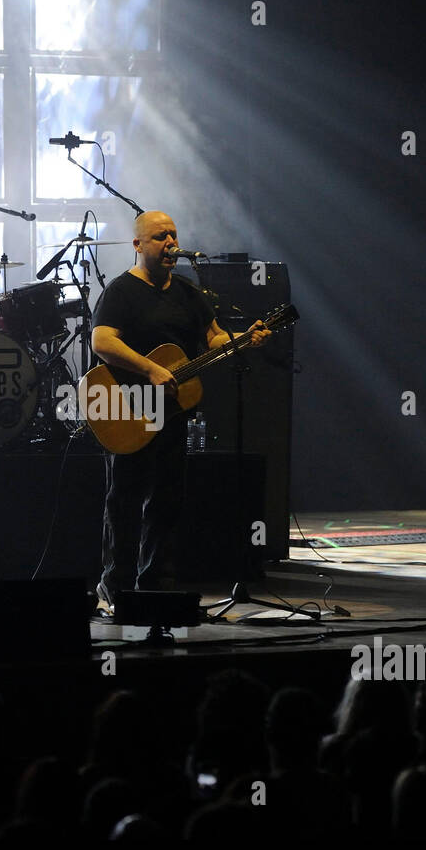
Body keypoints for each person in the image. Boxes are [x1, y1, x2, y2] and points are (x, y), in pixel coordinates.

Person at [90, 210, 269, 609]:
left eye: (173, 235)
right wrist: (151, 367)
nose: (171, 243)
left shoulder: (189, 292)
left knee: (167, 497)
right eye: (159, 237)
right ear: (138, 245)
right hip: (129, 408)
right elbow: (102, 341)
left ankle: (154, 581)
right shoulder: (121, 290)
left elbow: (215, 339)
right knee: (125, 498)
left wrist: (244, 338)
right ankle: (115, 584)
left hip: (172, 411)